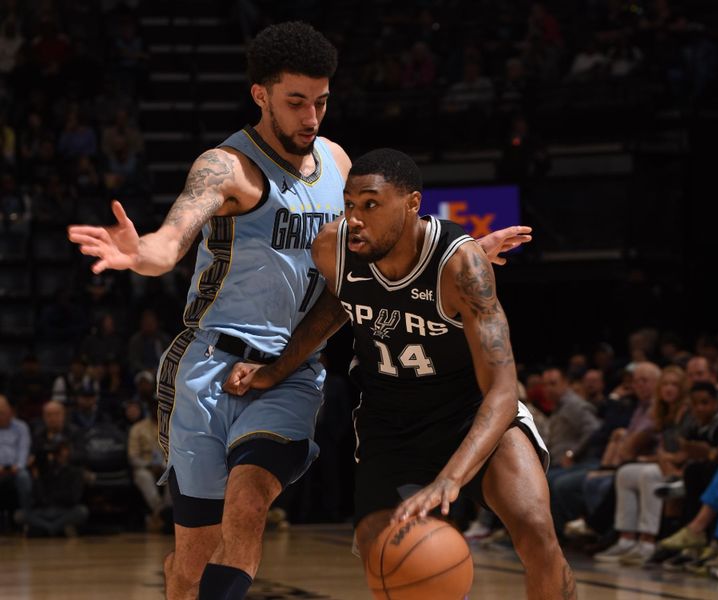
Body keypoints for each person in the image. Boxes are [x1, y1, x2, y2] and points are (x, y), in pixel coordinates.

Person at [68, 22, 531, 600]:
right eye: (296, 103)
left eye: (321, 102)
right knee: (192, 560)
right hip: (207, 367)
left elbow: (379, 245)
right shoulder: (227, 167)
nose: (311, 118)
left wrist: (453, 258)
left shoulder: (337, 164)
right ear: (260, 95)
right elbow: (171, 239)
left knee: (250, 501)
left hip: (290, 367)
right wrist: (145, 255)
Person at [225, 148, 574, 599]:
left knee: (536, 529)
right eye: (350, 204)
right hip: (390, 424)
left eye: (371, 204)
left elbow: (503, 393)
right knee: (395, 566)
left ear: (412, 204)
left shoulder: (462, 266)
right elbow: (338, 304)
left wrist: (450, 478)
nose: (356, 217)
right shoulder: (334, 248)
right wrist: (275, 370)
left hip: (470, 411)